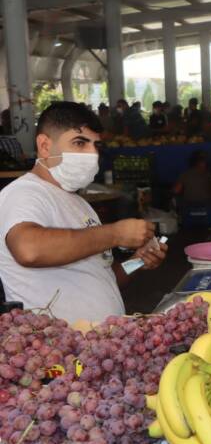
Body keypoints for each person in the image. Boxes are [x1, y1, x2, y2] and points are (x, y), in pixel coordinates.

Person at [0, 102, 166, 323]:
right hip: (58, 350)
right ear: (45, 145)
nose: (92, 154)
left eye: (96, 146)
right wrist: (115, 234)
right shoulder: (25, 193)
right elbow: (28, 249)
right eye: (79, 143)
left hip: (101, 345)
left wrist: (138, 261)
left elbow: (102, 276)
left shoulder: (79, 204)